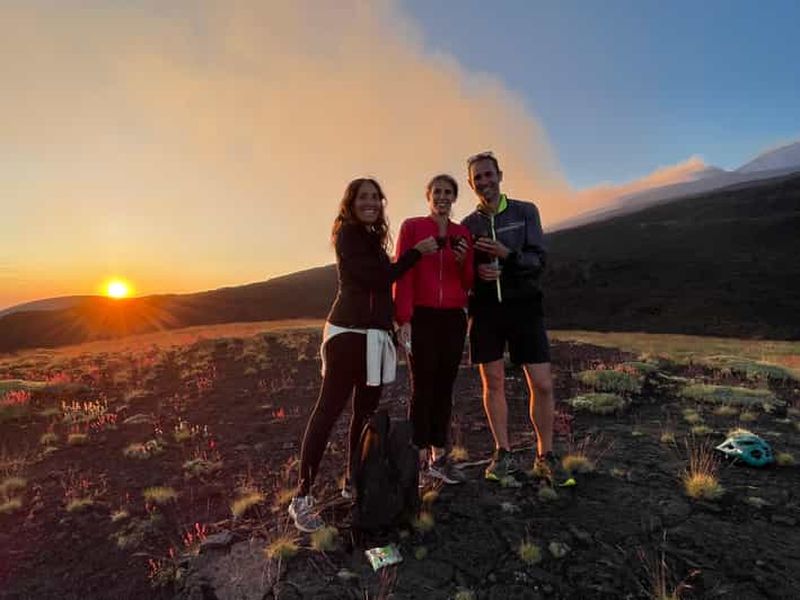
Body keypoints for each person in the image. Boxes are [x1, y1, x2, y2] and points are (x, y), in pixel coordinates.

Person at [288, 177, 438, 533]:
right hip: (347, 335)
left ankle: (352, 480)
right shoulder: (348, 234)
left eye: (375, 197)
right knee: (328, 412)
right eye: (363, 197)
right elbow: (378, 278)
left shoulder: (370, 238)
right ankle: (302, 497)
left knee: (365, 413)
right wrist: (417, 253)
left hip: (374, 336)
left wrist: (393, 326)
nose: (370, 202)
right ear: (351, 203)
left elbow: (382, 289)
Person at [460, 151, 560, 485]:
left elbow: (539, 260)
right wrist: (477, 273)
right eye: (478, 178)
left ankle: (545, 455)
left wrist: (508, 256)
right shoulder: (467, 226)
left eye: (489, 175)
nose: (485, 182)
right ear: (471, 184)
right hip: (485, 310)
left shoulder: (525, 211)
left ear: (500, 175)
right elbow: (461, 273)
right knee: (493, 382)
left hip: (525, 306)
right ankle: (502, 452)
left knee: (542, 384)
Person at [394, 174, 474, 485]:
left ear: (454, 198)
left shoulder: (462, 232)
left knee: (445, 386)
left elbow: (468, 281)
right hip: (422, 317)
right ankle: (415, 457)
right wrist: (403, 319)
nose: (442, 197)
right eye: (437, 192)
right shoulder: (412, 227)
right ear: (428, 196)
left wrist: (462, 259)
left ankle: (438, 457)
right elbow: (403, 273)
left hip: (453, 318)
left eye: (448, 192)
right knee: (421, 385)